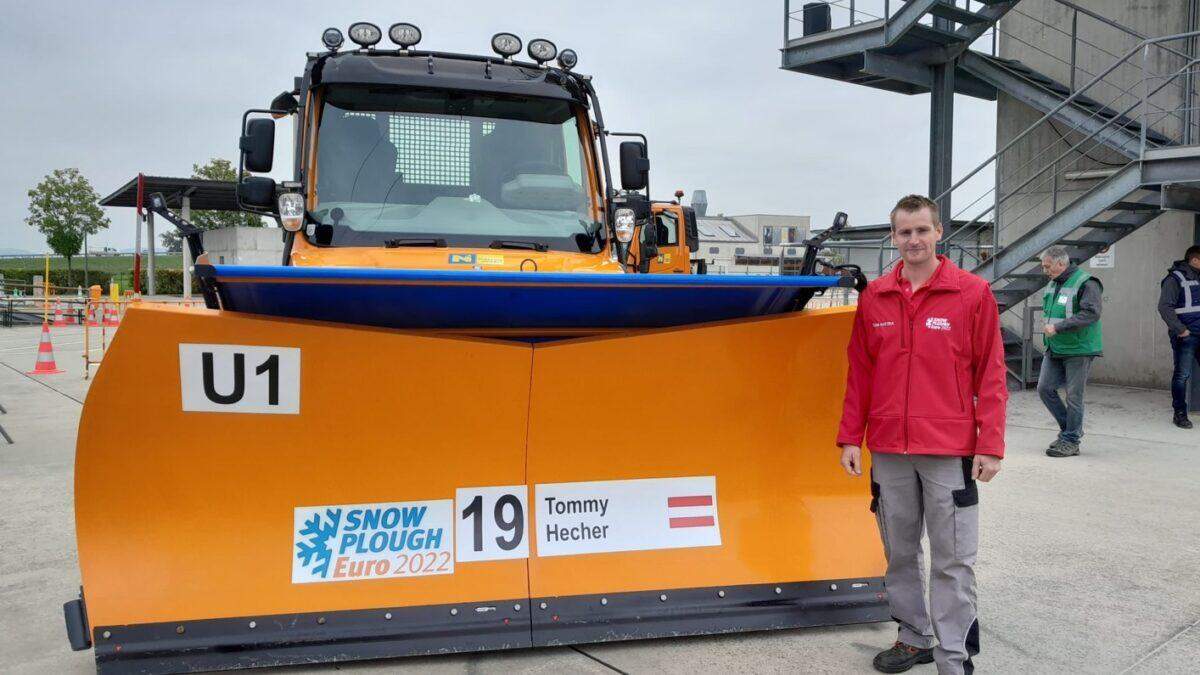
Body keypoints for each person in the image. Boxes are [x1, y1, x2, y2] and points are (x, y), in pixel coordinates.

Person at [837, 194, 1007, 675]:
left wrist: (990, 445)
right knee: (900, 552)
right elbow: (860, 374)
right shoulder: (875, 298)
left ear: (938, 233)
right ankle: (913, 638)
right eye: (904, 232)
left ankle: (953, 657)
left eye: (922, 230)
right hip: (889, 449)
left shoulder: (971, 294)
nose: (913, 240)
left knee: (954, 559)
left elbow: (991, 375)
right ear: (893, 237)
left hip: (948, 451)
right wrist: (851, 437)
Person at [1036, 246, 1103, 457]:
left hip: (1079, 348)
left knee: (1074, 396)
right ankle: (1071, 431)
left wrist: (1058, 327)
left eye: (1047, 266)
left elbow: (1091, 313)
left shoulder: (1087, 283)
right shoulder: (1053, 283)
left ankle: (1071, 440)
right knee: (1044, 388)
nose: (1045, 270)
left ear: (1061, 264)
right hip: (1055, 347)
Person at [1157, 245, 1200, 428]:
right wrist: (1181, 330)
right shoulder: (1174, 279)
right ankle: (1180, 413)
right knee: (1182, 375)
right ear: (1195, 260)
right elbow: (1164, 307)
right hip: (1186, 336)